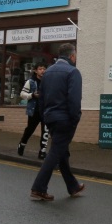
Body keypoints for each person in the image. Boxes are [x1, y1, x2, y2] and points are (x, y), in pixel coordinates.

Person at [30, 44, 84, 201]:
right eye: (76, 56)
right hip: (65, 119)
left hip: (50, 118)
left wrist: (44, 116)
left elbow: (41, 97)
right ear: (72, 56)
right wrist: (75, 118)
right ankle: (38, 188)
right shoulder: (73, 72)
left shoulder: (47, 73)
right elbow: (74, 100)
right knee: (55, 152)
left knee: (62, 152)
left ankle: (72, 186)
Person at [18, 64, 47, 158]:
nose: (42, 71)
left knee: (45, 131)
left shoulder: (48, 81)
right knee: (30, 130)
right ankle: (22, 143)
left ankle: (42, 151)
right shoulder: (31, 82)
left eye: (44, 69)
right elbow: (22, 94)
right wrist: (32, 95)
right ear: (35, 71)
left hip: (46, 110)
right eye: (40, 69)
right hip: (34, 110)